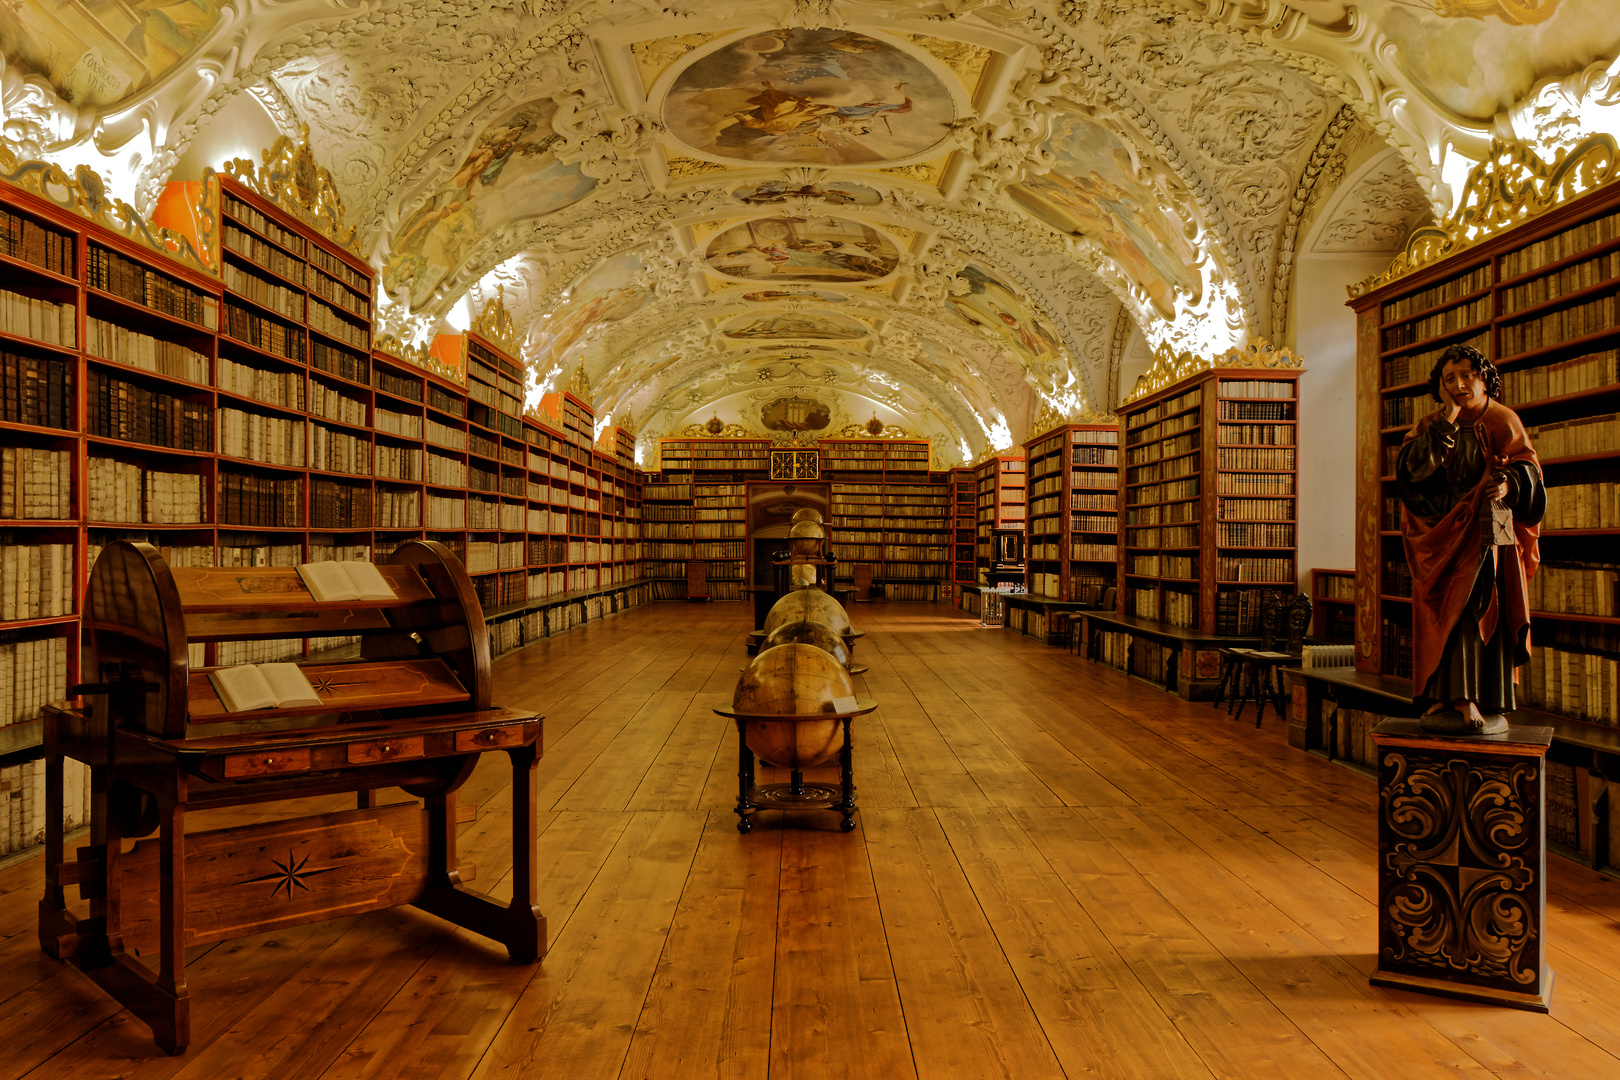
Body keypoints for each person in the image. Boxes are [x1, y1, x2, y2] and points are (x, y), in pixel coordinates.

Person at [1396, 343, 1544, 733]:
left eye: (1467, 375)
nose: (1459, 384)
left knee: (1474, 608)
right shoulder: (1431, 424)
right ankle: (1445, 694)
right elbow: (1411, 476)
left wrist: (1508, 485)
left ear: (1484, 379)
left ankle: (1472, 698)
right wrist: (1446, 425)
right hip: (1440, 531)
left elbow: (1529, 471)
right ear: (1440, 386)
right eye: (1449, 379)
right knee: (1440, 611)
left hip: (1484, 532)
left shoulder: (1502, 419)